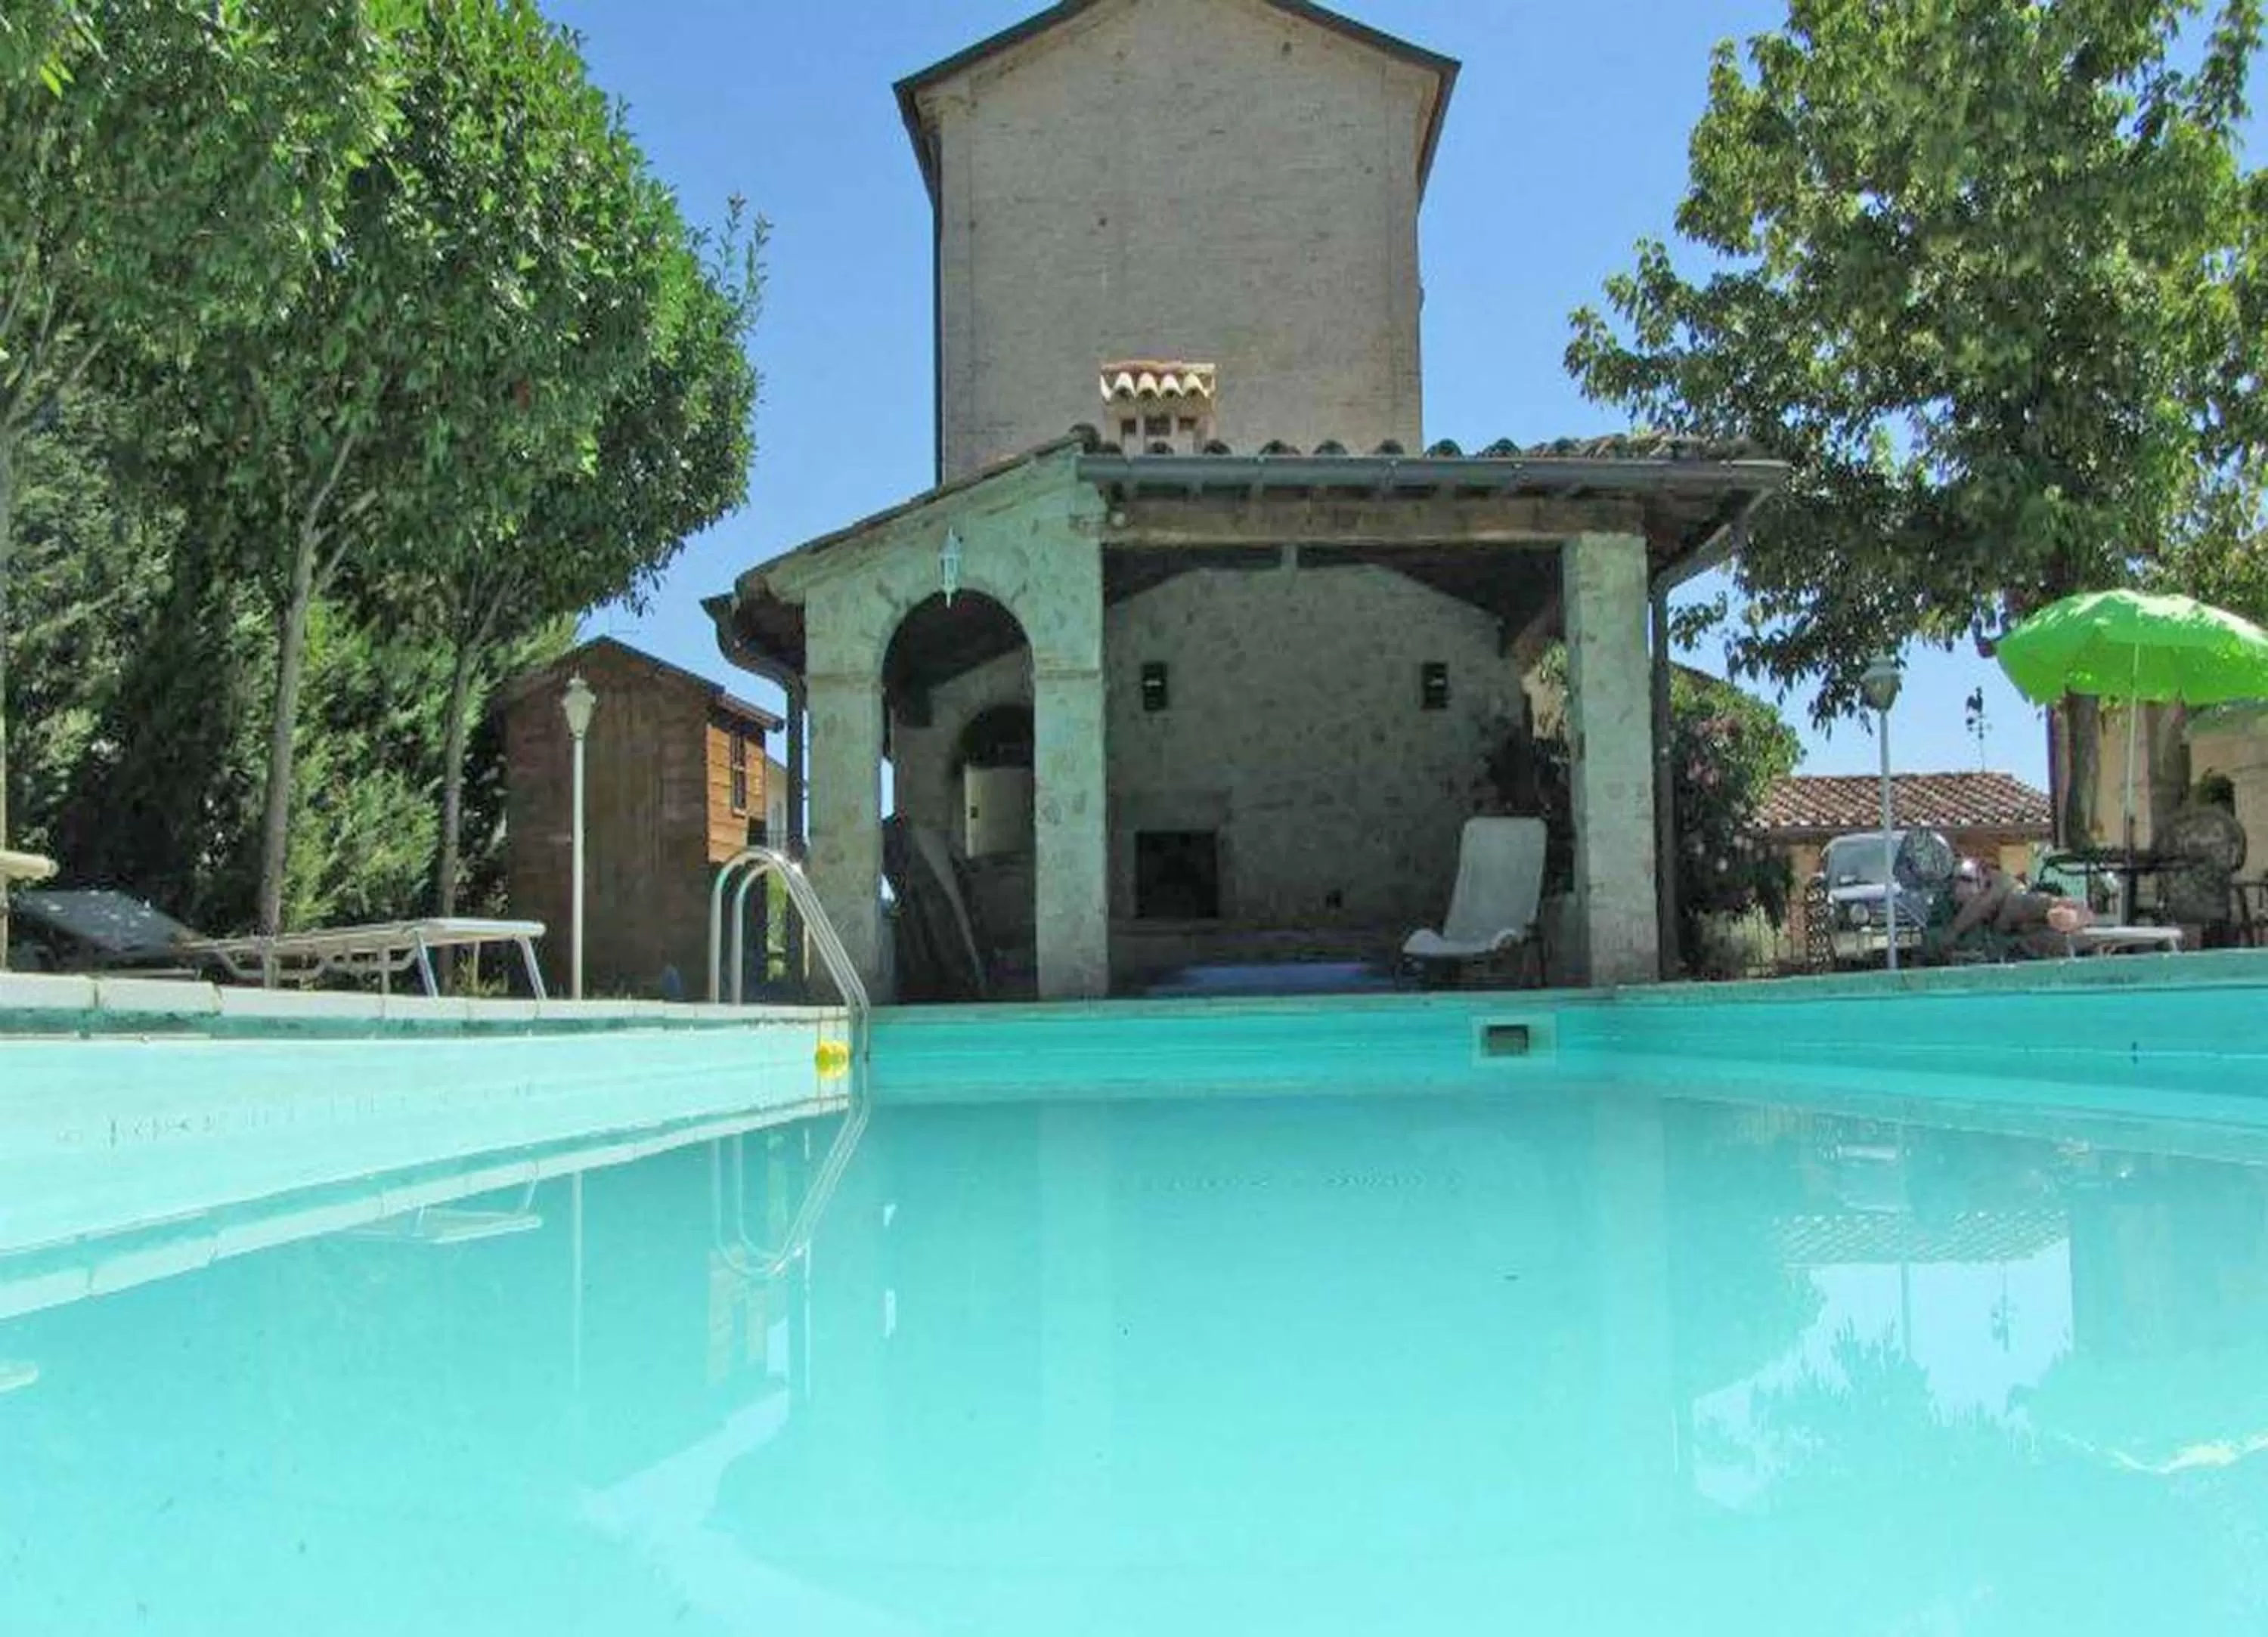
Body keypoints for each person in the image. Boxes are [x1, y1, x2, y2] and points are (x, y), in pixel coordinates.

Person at [1939, 859, 2093, 958]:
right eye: (1955, 884)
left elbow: (2082, 912)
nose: (1959, 890)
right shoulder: (1951, 914)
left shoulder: (2014, 902)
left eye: (1965, 882)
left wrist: (2069, 917)